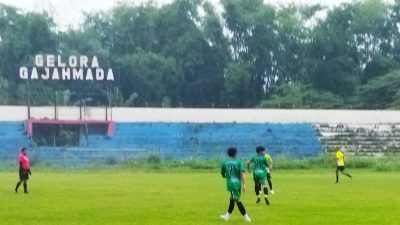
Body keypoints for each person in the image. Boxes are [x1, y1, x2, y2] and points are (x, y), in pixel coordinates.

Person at [220, 147, 251, 222]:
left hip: (231, 184)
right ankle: (227, 216)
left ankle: (246, 217)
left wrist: (226, 176)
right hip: (238, 184)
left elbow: (222, 173)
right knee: (232, 199)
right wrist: (244, 184)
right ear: (235, 154)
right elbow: (241, 174)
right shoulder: (238, 162)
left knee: (237, 200)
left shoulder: (225, 162)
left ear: (228, 154)